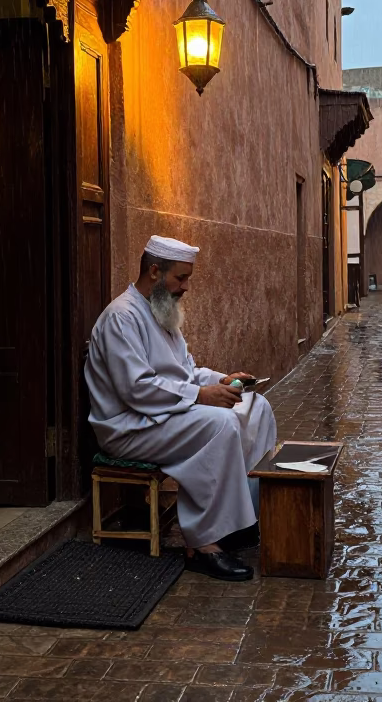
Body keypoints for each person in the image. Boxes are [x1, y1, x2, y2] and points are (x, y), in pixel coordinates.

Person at [85, 235, 278, 581]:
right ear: (155, 271)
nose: (186, 287)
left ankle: (240, 522)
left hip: (163, 415)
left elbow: (186, 371)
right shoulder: (121, 317)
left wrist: (223, 381)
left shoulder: (162, 311)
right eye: (181, 278)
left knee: (256, 406)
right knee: (220, 424)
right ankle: (203, 545)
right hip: (129, 426)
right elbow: (136, 389)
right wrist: (201, 396)